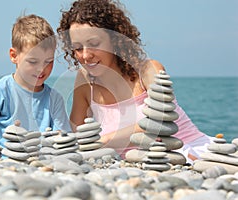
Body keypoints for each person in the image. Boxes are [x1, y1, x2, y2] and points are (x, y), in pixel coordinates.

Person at [57, 0, 212, 163]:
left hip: (188, 152)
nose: (85, 55)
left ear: (114, 39)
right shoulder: (85, 82)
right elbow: (77, 136)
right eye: (77, 48)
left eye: (94, 44)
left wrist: (102, 141)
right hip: (137, 164)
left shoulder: (148, 70)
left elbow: (160, 122)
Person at [0, 14, 71, 155]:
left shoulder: (55, 99)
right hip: (3, 165)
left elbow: (62, 139)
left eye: (48, 61)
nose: (41, 69)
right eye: (33, 62)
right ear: (14, 56)